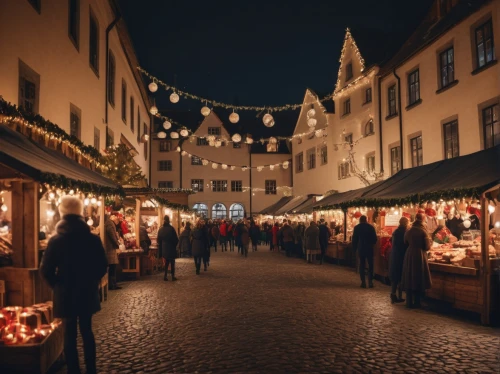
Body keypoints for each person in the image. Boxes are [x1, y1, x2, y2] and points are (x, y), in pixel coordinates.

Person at [41, 196, 107, 374]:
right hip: (86, 291)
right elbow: (102, 265)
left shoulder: (56, 241)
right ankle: (91, 369)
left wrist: (57, 285)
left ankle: (74, 370)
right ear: (80, 213)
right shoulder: (92, 239)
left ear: (62, 212)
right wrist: (92, 280)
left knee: (69, 334)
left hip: (65, 292)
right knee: (87, 330)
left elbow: (46, 269)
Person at [401, 213, 432, 308]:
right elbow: (427, 247)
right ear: (422, 220)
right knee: (419, 277)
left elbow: (405, 242)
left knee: (409, 275)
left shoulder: (409, 230)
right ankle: (417, 302)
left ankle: (409, 301)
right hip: (419, 254)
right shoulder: (423, 231)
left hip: (409, 253)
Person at [352, 215, 377, 288]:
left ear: (360, 220)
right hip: (369, 248)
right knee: (370, 265)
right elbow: (375, 239)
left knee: (362, 265)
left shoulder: (357, 228)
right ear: (366, 220)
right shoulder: (371, 227)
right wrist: (371, 243)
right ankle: (370, 282)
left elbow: (354, 240)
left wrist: (354, 249)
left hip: (361, 248)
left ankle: (363, 282)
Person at [389, 217, 409, 303]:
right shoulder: (405, 232)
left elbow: (391, 241)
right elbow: (406, 243)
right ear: (405, 223)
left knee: (395, 276)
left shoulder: (396, 232)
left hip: (394, 255)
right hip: (402, 255)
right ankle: (399, 295)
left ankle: (393, 294)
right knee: (400, 276)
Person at [157, 215, 179, 281]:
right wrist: (174, 245)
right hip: (171, 248)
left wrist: (162, 246)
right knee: (172, 262)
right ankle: (172, 276)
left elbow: (158, 240)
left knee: (166, 262)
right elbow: (176, 239)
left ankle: (165, 276)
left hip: (164, 248)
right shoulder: (171, 229)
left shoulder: (161, 229)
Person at [104, 214, 121, 290]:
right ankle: (112, 285)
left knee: (112, 267)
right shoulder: (110, 223)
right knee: (112, 267)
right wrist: (117, 244)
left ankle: (113, 284)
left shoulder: (108, 223)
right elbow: (112, 235)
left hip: (110, 248)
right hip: (110, 248)